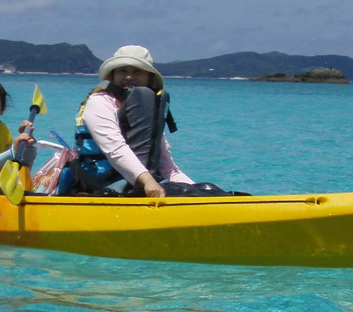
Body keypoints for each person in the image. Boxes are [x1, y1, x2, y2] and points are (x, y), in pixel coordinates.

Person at [68, 45, 231, 198]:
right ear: (113, 75)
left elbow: (168, 168)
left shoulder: (144, 111)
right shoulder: (99, 102)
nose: (129, 77)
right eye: (122, 71)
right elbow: (114, 149)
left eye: (137, 72)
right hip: (103, 185)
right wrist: (147, 181)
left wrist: (198, 193)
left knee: (206, 189)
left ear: (148, 78)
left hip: (138, 185)